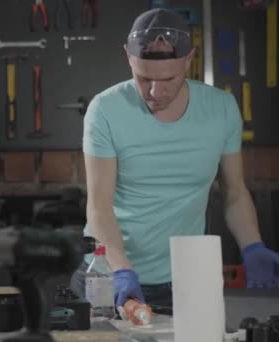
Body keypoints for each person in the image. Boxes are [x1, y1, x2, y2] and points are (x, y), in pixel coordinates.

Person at [71, 8, 279, 312]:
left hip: (184, 280)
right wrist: (122, 270)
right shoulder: (105, 110)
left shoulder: (221, 109)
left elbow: (234, 191)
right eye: (143, 79)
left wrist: (253, 245)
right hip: (109, 277)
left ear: (189, 59)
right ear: (128, 57)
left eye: (169, 78)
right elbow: (99, 206)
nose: (155, 92)